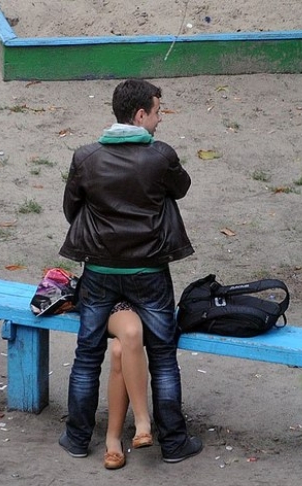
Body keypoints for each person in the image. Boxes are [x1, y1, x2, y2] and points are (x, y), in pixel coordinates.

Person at [57, 78, 203, 464]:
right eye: (158, 111)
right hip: (149, 270)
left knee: (87, 355)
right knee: (163, 356)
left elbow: (72, 209)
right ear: (140, 115)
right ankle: (173, 442)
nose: (160, 119)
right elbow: (182, 187)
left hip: (100, 270)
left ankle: (76, 438)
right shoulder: (160, 156)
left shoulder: (85, 157)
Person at [104, 302, 153, 470]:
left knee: (118, 350)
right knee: (131, 333)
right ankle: (142, 421)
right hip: (109, 300)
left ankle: (113, 438)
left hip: (150, 302)